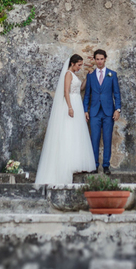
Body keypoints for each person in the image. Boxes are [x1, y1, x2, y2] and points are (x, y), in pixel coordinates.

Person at [35, 54, 97, 185]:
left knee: (76, 133)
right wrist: (69, 107)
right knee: (68, 132)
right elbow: (66, 91)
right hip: (71, 104)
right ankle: (67, 164)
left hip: (77, 103)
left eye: (81, 65)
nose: (80, 67)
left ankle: (76, 162)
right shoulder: (68, 74)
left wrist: (87, 77)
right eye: (79, 65)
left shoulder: (74, 75)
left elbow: (80, 88)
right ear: (72, 63)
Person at [83, 49, 122, 173]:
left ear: (105, 59)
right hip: (94, 112)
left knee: (107, 138)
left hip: (108, 112)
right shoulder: (90, 76)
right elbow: (87, 94)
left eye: (101, 59)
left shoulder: (112, 74)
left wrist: (118, 109)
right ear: (94, 60)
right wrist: (85, 110)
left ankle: (106, 165)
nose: (99, 61)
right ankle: (94, 165)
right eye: (97, 59)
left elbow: (116, 93)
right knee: (94, 139)